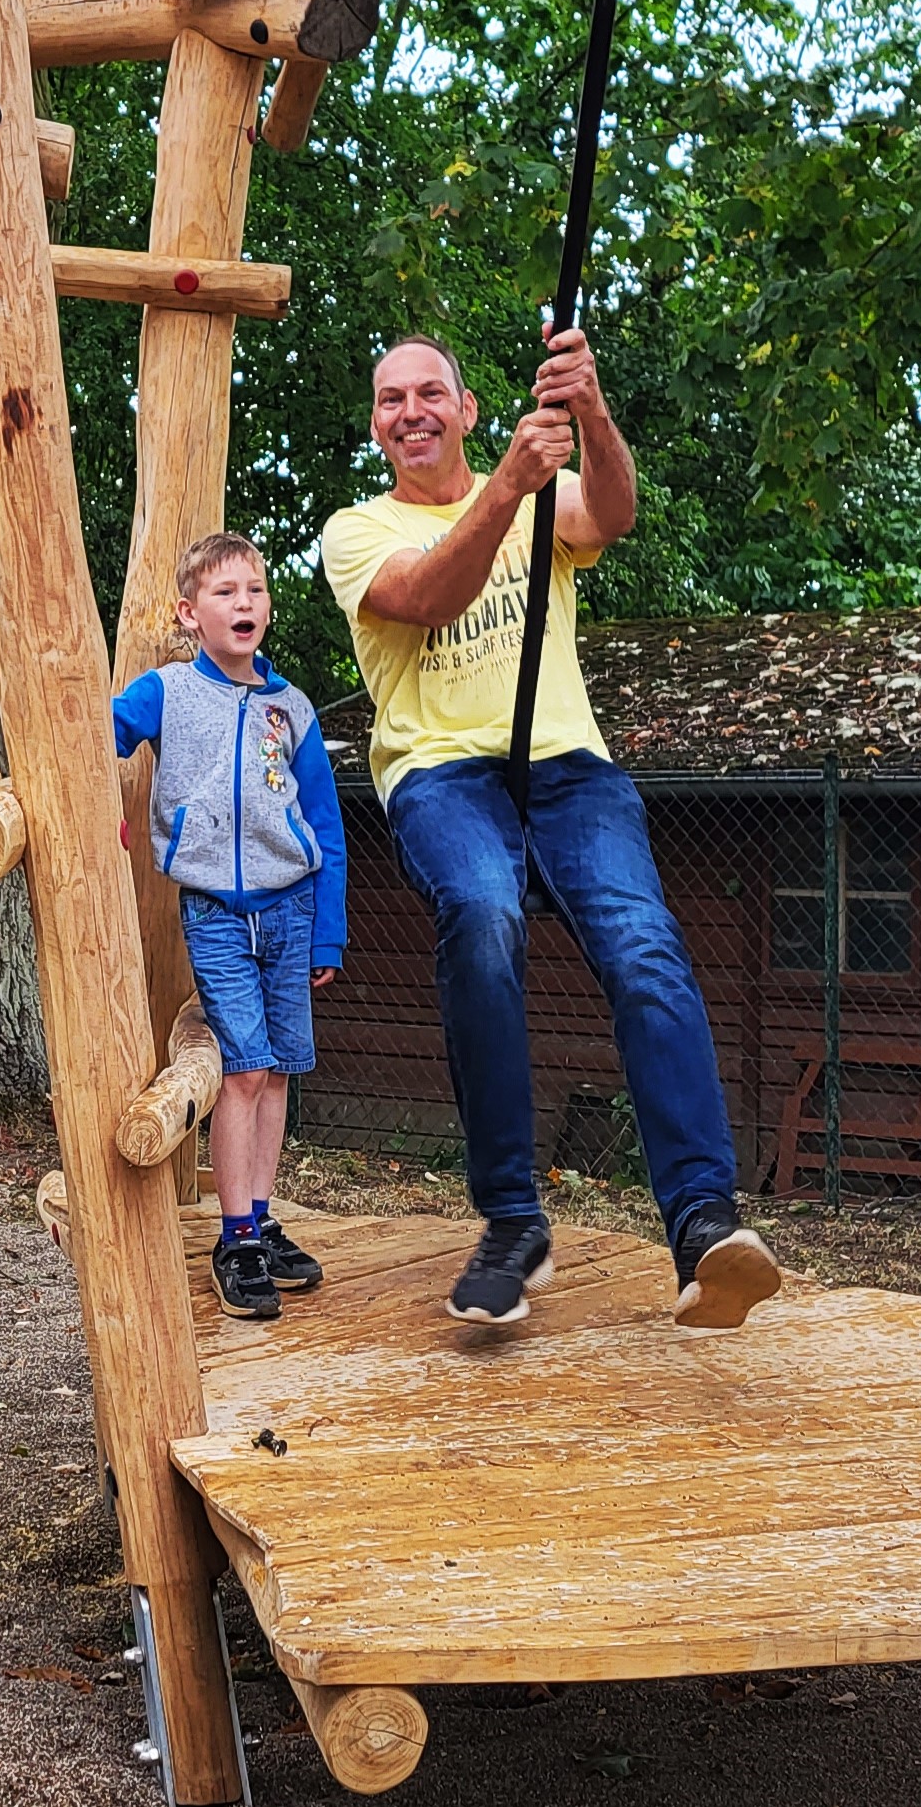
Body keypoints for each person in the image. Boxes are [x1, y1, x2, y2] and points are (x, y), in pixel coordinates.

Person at [318, 327, 780, 1329]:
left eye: (429, 392)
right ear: (375, 426)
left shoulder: (538, 494)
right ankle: (510, 1223)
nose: (411, 411)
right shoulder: (355, 530)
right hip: (441, 775)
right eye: (391, 398)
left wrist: (590, 410)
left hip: (569, 768)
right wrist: (506, 488)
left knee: (643, 950)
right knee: (481, 919)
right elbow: (426, 592)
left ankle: (702, 1225)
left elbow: (610, 510)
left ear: (466, 409)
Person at [111, 532, 349, 1320]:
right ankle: (234, 1236)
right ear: (189, 613)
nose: (242, 603)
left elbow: (324, 820)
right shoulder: (168, 691)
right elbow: (95, 732)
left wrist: (328, 931)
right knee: (242, 1069)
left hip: (291, 907)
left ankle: (264, 1216)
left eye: (254, 590)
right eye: (224, 593)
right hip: (213, 908)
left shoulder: (292, 709)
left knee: (277, 1070)